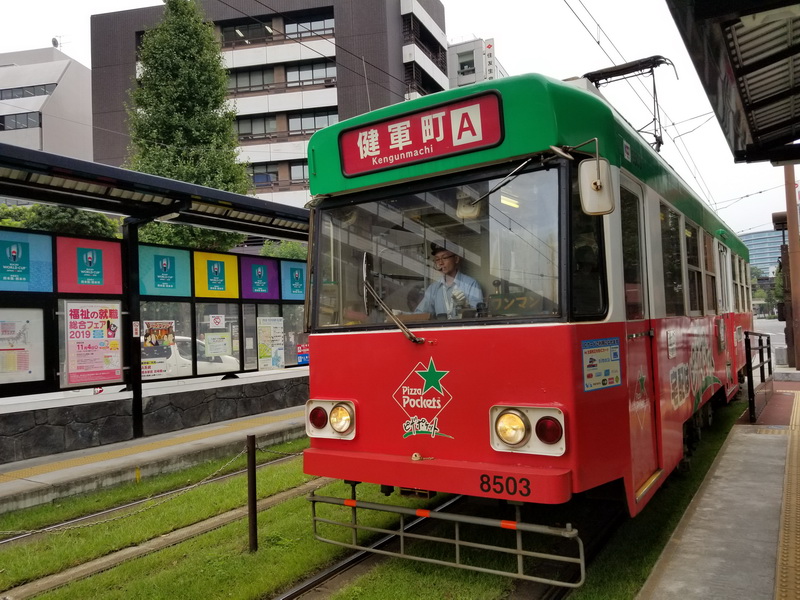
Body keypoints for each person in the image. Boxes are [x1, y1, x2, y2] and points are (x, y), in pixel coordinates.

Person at [415, 243, 483, 319]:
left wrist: (465, 306)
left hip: (463, 326)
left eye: (445, 258)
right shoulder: (433, 288)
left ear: (456, 259)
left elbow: (478, 315)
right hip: (441, 326)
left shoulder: (470, 284)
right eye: (437, 259)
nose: (440, 263)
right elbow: (420, 313)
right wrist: (404, 315)